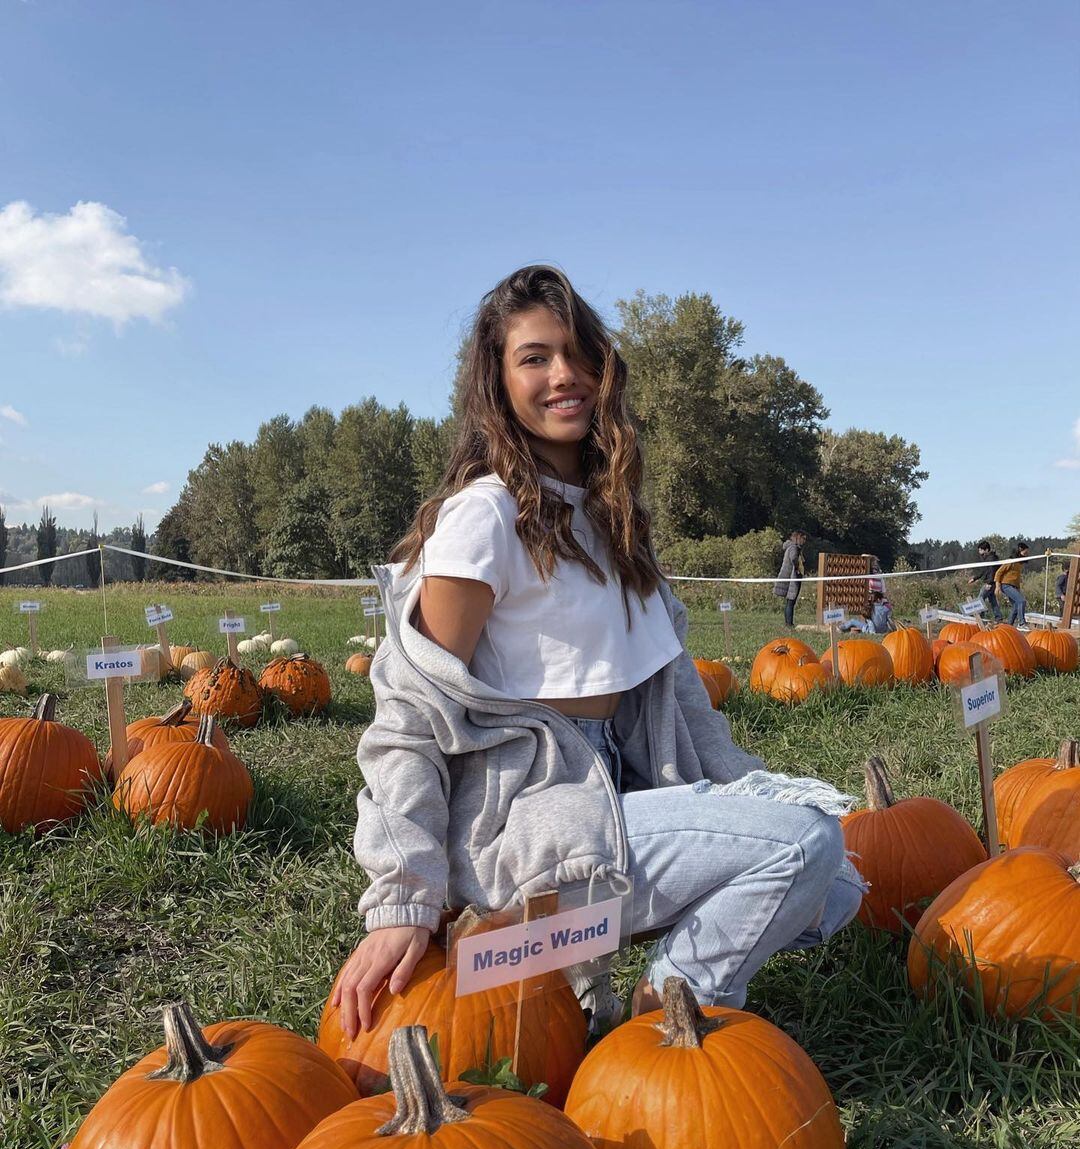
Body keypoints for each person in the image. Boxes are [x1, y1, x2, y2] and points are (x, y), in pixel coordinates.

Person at [332, 265, 863, 1039]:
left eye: (578, 353)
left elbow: (682, 701)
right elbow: (409, 718)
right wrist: (405, 896)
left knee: (834, 886)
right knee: (808, 845)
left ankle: (614, 985)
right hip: (531, 823)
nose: (564, 376)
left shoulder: (615, 520)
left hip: (624, 784)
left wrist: (758, 793)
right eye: (535, 358)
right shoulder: (484, 518)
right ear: (497, 382)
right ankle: (662, 1017)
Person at [774, 530, 806, 627]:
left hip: (790, 577)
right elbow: (793, 559)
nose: (804, 541)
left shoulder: (792, 547)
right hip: (792, 577)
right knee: (791, 601)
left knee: (790, 601)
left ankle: (788, 623)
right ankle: (789, 624)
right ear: (798, 538)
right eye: (803, 538)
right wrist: (797, 568)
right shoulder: (794, 548)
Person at [996, 541, 1030, 630]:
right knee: (1021, 601)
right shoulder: (1010, 561)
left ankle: (1008, 626)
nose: (1026, 555)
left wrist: (1018, 588)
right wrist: (998, 586)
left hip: (1014, 586)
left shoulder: (1019, 564)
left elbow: (1016, 578)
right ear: (1019, 551)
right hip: (1006, 585)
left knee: (1016, 605)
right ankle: (1022, 623)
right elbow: (998, 573)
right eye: (1025, 553)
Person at [968, 541, 1002, 621]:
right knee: (993, 601)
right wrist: (974, 578)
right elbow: (983, 571)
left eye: (981, 550)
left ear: (986, 550)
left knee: (980, 599)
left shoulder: (991, 559)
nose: (979, 552)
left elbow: (991, 571)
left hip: (990, 583)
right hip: (992, 583)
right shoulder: (988, 558)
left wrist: (989, 583)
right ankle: (998, 617)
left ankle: (980, 617)